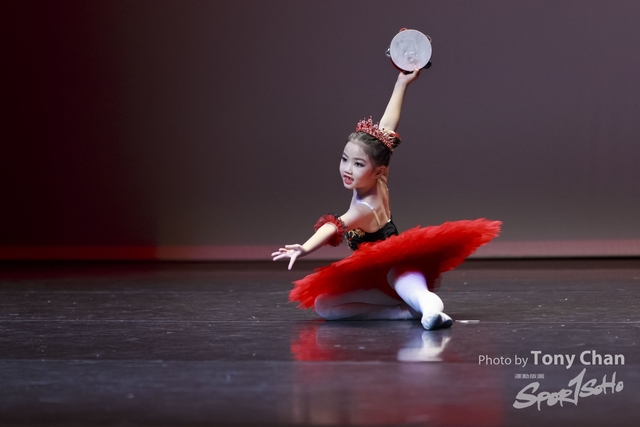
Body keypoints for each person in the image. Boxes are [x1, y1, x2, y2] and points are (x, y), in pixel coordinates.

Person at [272, 64, 501, 330]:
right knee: (326, 303)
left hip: (390, 276)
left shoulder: (364, 207)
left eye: (358, 164)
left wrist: (304, 248)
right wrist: (402, 83)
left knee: (390, 293)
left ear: (377, 170)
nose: (347, 169)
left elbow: (334, 226)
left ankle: (423, 312)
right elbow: (387, 128)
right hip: (383, 276)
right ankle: (410, 312)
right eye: (345, 159)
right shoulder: (379, 175)